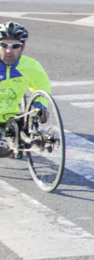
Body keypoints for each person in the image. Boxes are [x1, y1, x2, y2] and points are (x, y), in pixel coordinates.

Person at [0, 21, 50, 158]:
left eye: (15, 46)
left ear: (23, 47)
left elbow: (42, 86)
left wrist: (41, 106)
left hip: (13, 118)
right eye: (3, 45)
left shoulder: (31, 66)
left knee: (7, 149)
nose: (9, 50)